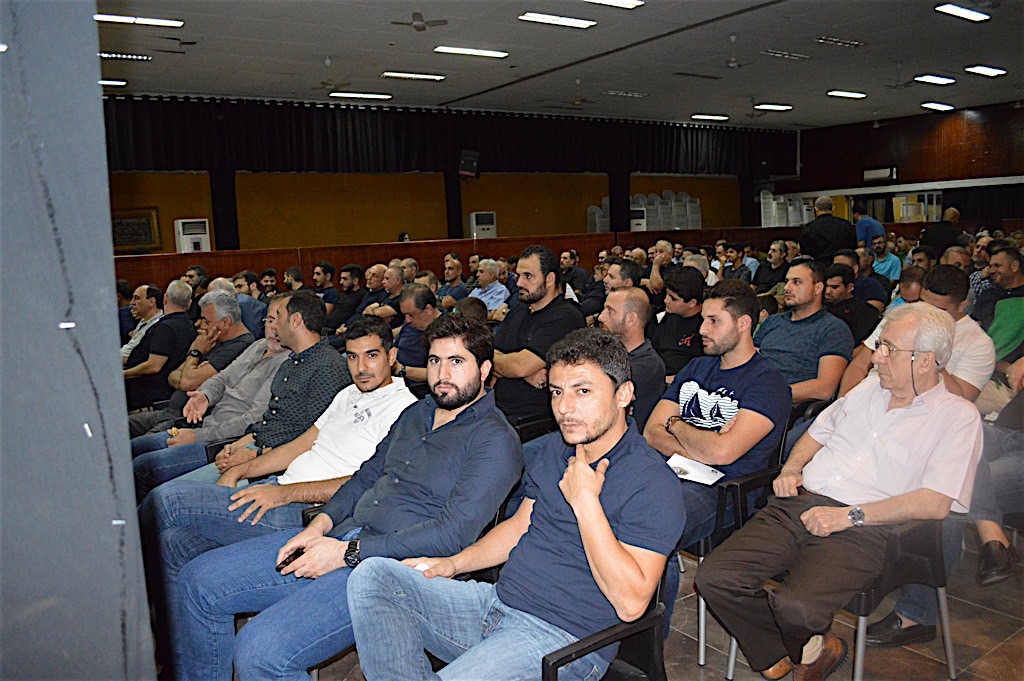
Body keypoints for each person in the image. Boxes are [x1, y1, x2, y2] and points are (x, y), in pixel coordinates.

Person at [170, 314, 523, 681]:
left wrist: (346, 553)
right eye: (435, 360)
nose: (442, 374)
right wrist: (319, 526)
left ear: (484, 369)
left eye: (456, 361)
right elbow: (365, 476)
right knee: (199, 582)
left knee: (259, 654)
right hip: (342, 534)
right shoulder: (418, 412)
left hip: (387, 570)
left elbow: (450, 536)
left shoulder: (495, 440)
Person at [347, 327, 685, 681]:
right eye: (557, 391)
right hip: (496, 604)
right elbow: (520, 526)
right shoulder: (558, 449)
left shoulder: (653, 483)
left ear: (623, 394)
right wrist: (453, 563)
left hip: (561, 641)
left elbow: (631, 605)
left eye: (582, 391)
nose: (564, 408)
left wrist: (586, 503)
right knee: (373, 577)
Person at [696, 302, 983, 681]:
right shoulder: (868, 389)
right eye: (879, 345)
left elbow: (936, 502)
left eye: (888, 349)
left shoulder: (957, 418)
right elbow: (818, 432)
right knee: (714, 577)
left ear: (925, 361)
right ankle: (803, 650)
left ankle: (790, 645)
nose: (875, 357)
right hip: (798, 506)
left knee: (795, 607)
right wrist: (792, 468)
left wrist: (848, 516)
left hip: (866, 528)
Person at [139, 317, 417, 671]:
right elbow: (300, 445)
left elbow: (369, 483)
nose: (361, 367)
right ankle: (180, 662)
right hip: (276, 492)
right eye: (352, 356)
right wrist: (243, 470)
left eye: (371, 355)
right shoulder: (347, 394)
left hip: (307, 513)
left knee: (167, 501)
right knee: (175, 543)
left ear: (391, 356)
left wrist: (283, 494)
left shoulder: (404, 409)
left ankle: (116, 589)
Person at [645, 280, 791, 621]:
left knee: (650, 530)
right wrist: (701, 440)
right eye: (703, 320)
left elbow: (723, 455)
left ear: (743, 324)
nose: (702, 330)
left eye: (714, 321)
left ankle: (643, 640)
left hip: (720, 490)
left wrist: (676, 425)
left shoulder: (767, 383)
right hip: (666, 472)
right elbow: (651, 431)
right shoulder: (697, 368)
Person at [132, 291, 351, 501]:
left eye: (277, 318)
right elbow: (269, 421)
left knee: (162, 495)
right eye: (270, 320)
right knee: (149, 475)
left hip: (269, 462)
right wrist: (238, 445)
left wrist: (251, 456)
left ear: (295, 321)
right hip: (246, 444)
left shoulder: (326, 367)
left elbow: (309, 438)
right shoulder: (292, 362)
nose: (273, 326)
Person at [840, 265, 995, 405]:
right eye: (923, 303)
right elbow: (860, 365)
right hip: (869, 398)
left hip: (921, 415)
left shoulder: (978, 343)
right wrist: (844, 403)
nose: (926, 313)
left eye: (939, 310)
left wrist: (931, 356)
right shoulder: (900, 317)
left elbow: (961, 401)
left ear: (961, 306)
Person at [492, 245, 586, 431]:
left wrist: (516, 367)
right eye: (518, 276)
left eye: (528, 276)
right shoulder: (519, 309)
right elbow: (488, 353)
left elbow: (519, 366)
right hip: (498, 410)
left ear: (549, 279)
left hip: (534, 420)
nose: (519, 283)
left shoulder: (566, 316)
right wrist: (523, 371)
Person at [754, 259, 854, 403]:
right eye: (787, 281)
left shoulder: (833, 329)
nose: (787, 288)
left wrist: (767, 394)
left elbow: (825, 388)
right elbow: (749, 360)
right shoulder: (772, 321)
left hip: (782, 404)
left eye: (797, 282)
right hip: (747, 393)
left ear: (818, 288)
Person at [598, 287, 665, 431]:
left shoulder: (648, 366)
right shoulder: (607, 350)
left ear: (631, 319)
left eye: (610, 311)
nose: (601, 317)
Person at [124, 280, 197, 412]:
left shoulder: (165, 328)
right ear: (190, 303)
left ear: (165, 299)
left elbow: (154, 366)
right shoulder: (189, 325)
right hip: (163, 393)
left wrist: (123, 374)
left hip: (148, 396)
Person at [647, 265, 705, 375]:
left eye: (673, 298)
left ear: (691, 303)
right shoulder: (668, 315)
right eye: (667, 294)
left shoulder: (705, 327)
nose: (666, 300)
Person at [393, 283, 442, 393]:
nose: (407, 320)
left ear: (428, 309)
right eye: (405, 315)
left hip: (418, 388)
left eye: (411, 315)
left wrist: (401, 369)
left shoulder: (445, 331)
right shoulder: (410, 325)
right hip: (395, 381)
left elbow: (440, 373)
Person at [823, 263, 880, 345]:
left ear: (849, 287)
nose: (828, 291)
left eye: (834, 287)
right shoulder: (817, 306)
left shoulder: (864, 312)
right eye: (826, 286)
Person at [799, 196, 856, 264]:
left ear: (816, 208)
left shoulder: (809, 228)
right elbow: (852, 246)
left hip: (818, 266)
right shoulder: (845, 225)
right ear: (833, 208)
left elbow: (805, 251)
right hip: (841, 265)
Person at [121, 284, 163, 365]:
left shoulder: (159, 325)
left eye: (137, 298)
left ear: (151, 302)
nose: (132, 302)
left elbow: (140, 359)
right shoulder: (144, 320)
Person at [324, 263, 367, 332]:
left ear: (355, 281)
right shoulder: (341, 295)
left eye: (345, 279)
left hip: (342, 331)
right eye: (341, 278)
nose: (341, 282)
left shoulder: (363, 296)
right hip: (326, 328)